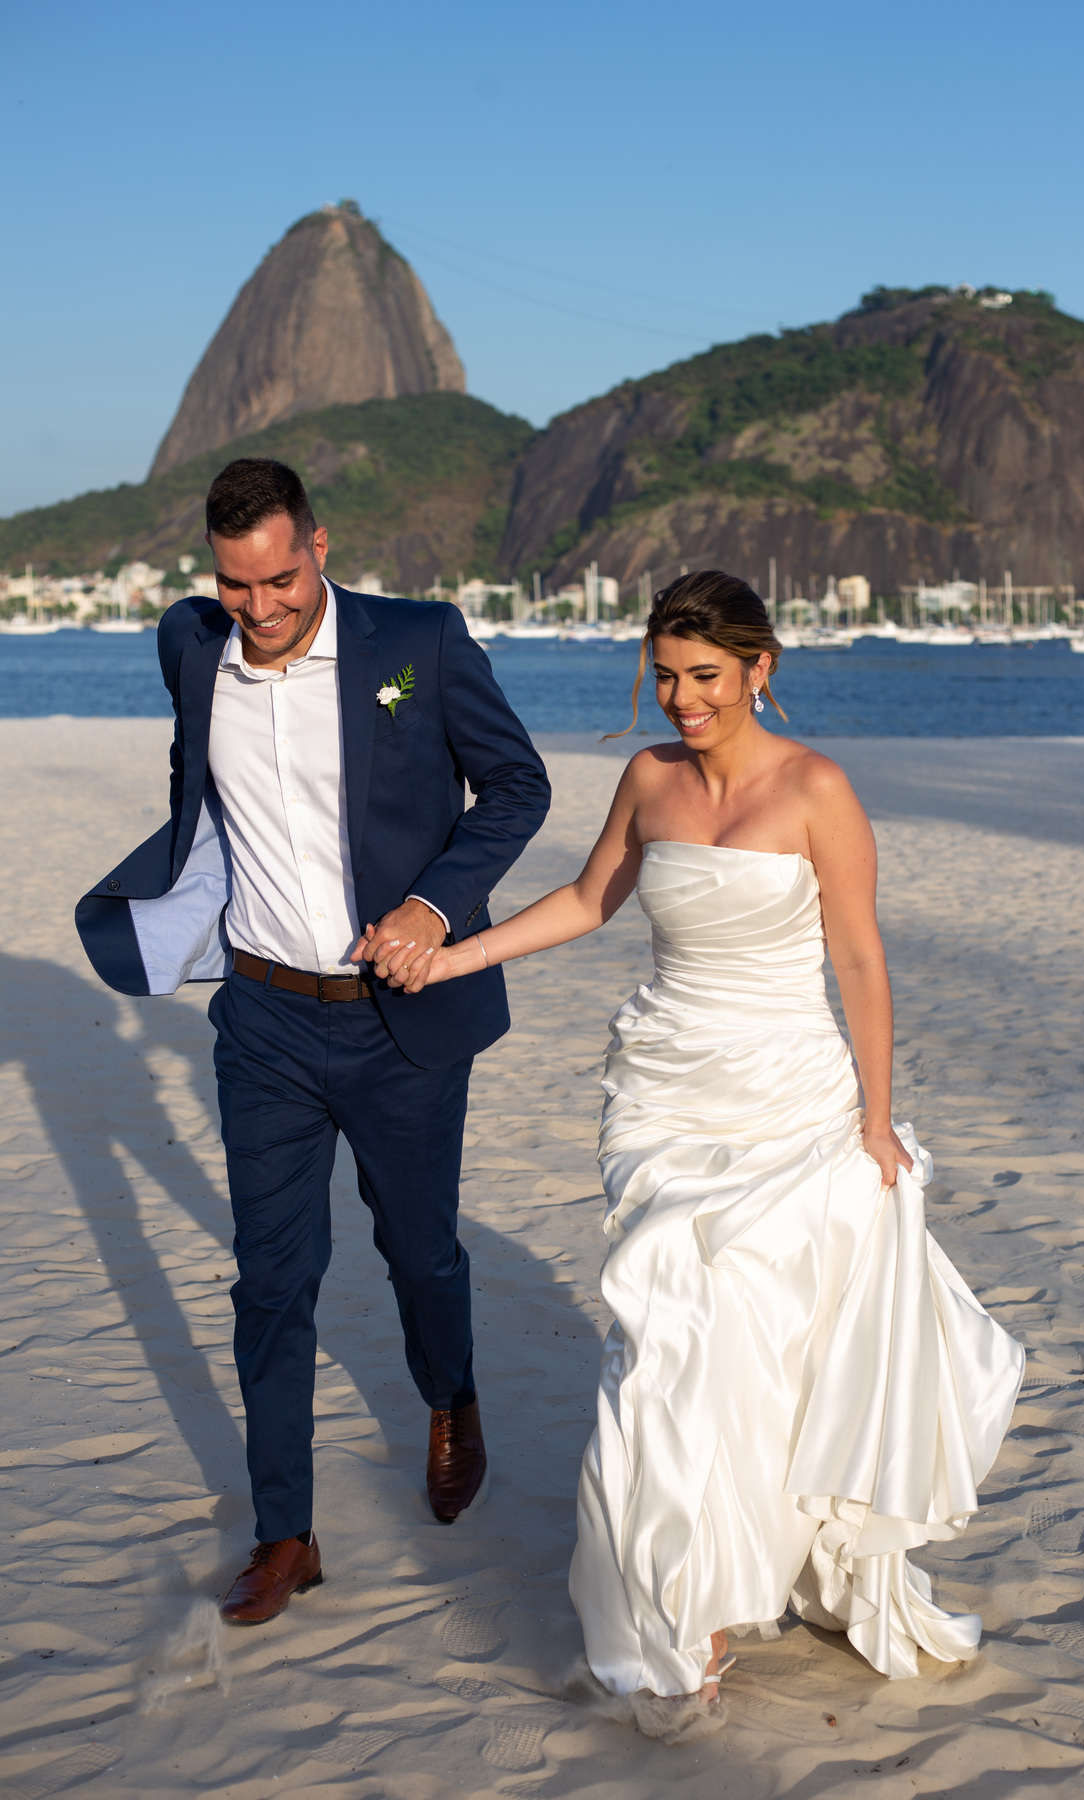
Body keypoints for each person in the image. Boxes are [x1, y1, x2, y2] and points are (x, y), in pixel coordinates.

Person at [372, 570, 1025, 1704]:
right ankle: (682, 1601)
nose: (684, 699)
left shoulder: (818, 789)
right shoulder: (649, 777)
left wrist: (875, 1123)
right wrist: (452, 956)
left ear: (760, 669)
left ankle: (730, 1585)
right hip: (665, 1100)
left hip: (791, 1099)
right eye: (666, 676)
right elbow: (589, 900)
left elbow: (858, 958)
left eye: (707, 676)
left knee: (758, 1347)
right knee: (667, 1339)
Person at [76, 458, 551, 1626]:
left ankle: (451, 1396)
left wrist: (433, 906)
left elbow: (516, 787)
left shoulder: (418, 644)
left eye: (280, 580)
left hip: (399, 1016)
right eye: (236, 586)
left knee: (420, 1252)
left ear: (320, 548)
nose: (261, 607)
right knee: (272, 1281)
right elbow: (198, 787)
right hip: (265, 1020)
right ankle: (284, 1532)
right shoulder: (192, 647)